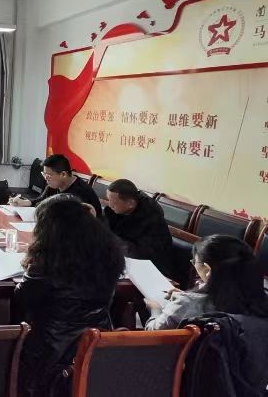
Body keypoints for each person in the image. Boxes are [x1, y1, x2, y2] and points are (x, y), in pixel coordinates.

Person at [15, 194, 125, 397]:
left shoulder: (48, 258)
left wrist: (28, 267)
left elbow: (24, 298)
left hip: (51, 346)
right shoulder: (110, 251)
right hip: (97, 339)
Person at [145, 235, 268, 330]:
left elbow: (154, 332)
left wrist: (156, 310)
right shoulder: (261, 299)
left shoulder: (187, 303)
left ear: (208, 269)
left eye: (195, 262)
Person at [104, 179, 173, 276]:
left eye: (114, 202)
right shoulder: (114, 210)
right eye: (108, 200)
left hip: (152, 268)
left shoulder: (152, 218)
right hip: (122, 258)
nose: (110, 205)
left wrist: (112, 243)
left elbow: (142, 252)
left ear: (130, 204)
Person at [9, 154, 103, 218]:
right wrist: (24, 202)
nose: (46, 179)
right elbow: (41, 201)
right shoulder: (52, 186)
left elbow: (71, 218)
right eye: (44, 174)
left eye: (49, 175)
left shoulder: (81, 192)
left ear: (63, 174)